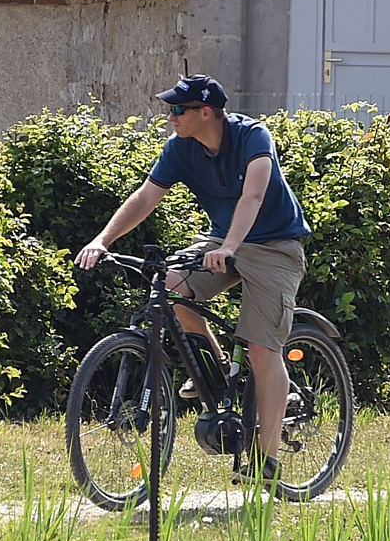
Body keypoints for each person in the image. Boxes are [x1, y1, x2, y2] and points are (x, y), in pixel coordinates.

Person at [75, 75, 310, 485]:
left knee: (261, 348)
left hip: (275, 246)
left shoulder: (252, 137)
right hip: (221, 240)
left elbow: (252, 196)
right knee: (168, 287)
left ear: (206, 111)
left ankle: (267, 461)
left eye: (177, 110)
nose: (170, 118)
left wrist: (231, 246)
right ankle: (217, 371)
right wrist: (101, 240)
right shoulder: (181, 148)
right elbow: (146, 197)